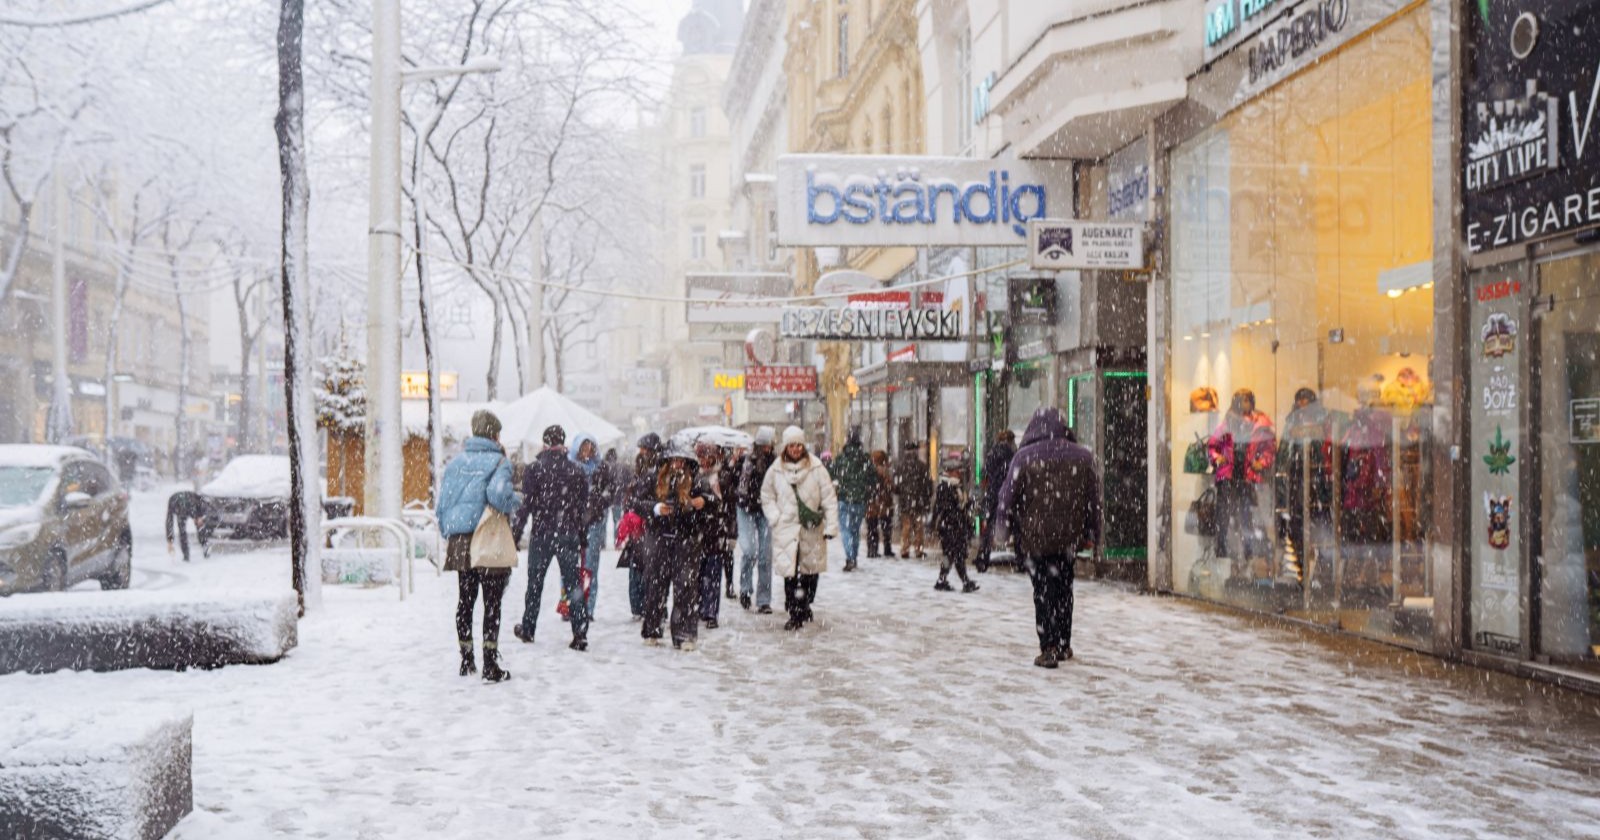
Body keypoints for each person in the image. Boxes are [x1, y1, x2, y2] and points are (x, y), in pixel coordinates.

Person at [995, 407, 1101, 669]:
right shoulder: (1084, 457)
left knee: (1042, 591)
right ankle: (1064, 642)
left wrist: (1003, 531)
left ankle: (1049, 646)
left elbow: (1006, 499)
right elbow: (1094, 501)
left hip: (1035, 538)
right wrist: (1093, 533)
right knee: (1064, 587)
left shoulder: (1023, 457)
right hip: (1068, 538)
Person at [436, 409, 518, 682]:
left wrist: (450, 529)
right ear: (495, 434)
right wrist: (514, 501)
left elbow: (443, 505)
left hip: (460, 540)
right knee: (492, 602)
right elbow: (497, 494)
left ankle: (466, 658)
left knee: (465, 600)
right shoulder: (499, 462)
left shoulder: (456, 463)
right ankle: (490, 663)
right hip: (487, 536)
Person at [510, 425, 592, 652]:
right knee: (573, 584)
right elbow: (582, 509)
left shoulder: (534, 469)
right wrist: (582, 537)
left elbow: (526, 507)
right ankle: (580, 633)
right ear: (563, 442)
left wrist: (515, 534)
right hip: (568, 534)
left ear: (545, 443)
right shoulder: (577, 471)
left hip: (542, 534)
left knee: (535, 583)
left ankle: (528, 627)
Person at [761, 425, 840, 631]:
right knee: (790, 573)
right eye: (791, 445)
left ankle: (805, 603)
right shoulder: (775, 470)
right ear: (785, 447)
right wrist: (775, 517)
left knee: (810, 572)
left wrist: (831, 525)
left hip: (811, 528)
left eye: (798, 445)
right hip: (786, 528)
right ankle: (795, 612)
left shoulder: (816, 468)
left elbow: (829, 497)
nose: (795, 449)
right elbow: (767, 495)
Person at [637, 442, 706, 650]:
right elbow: (636, 502)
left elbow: (712, 500)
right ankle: (652, 629)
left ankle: (684, 635)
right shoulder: (653, 478)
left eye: (681, 461)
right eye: (673, 460)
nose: (677, 464)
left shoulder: (696, 480)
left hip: (686, 539)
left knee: (685, 588)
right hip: (659, 538)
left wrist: (701, 501)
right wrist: (656, 508)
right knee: (655, 586)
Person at [622, 434, 665, 619]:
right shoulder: (641, 470)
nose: (642, 453)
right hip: (639, 525)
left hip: (651, 524)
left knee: (648, 568)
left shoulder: (658, 471)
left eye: (645, 449)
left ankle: (650, 607)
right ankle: (639, 607)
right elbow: (633, 497)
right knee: (638, 567)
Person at [735, 427, 777, 613]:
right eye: (763, 445)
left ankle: (764, 600)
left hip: (765, 510)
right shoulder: (745, 460)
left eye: (768, 445)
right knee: (750, 551)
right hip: (745, 508)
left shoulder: (776, 463)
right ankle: (745, 589)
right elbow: (733, 483)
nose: (766, 449)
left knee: (765, 556)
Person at [570, 433, 609, 617]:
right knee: (570, 567)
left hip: (594, 521)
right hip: (574, 523)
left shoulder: (601, 468)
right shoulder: (570, 468)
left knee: (590, 566)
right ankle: (570, 606)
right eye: (583, 447)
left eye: (590, 447)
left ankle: (587, 607)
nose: (587, 451)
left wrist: (597, 502)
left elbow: (609, 492)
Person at [695, 442, 734, 629]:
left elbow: (729, 504)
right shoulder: (694, 475)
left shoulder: (723, 476)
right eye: (700, 456)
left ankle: (711, 612)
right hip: (697, 531)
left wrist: (731, 532)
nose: (703, 460)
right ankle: (700, 608)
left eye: (706, 456)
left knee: (713, 573)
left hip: (716, 529)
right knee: (698, 574)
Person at [829, 428, 878, 572]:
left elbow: (832, 475)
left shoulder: (841, 458)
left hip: (844, 498)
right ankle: (854, 557)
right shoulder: (865, 459)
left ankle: (850, 557)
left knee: (845, 529)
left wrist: (840, 485)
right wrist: (865, 490)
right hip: (860, 500)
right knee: (855, 530)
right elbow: (873, 478)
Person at [931, 456, 979, 593]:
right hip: (950, 528)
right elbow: (946, 508)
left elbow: (959, 506)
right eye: (957, 471)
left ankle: (942, 580)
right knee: (956, 555)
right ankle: (964, 582)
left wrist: (969, 504)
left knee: (951, 555)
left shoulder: (955, 486)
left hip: (955, 527)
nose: (960, 473)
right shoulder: (945, 487)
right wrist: (959, 511)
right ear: (950, 472)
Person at [979, 429, 1018, 566]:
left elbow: (985, 472)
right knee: (1015, 523)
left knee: (990, 524)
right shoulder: (1013, 453)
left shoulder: (992, 452)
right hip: (1009, 491)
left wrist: (989, 486)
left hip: (994, 491)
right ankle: (1020, 556)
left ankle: (984, 554)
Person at [894, 440, 932, 558]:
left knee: (906, 526)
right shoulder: (922, 466)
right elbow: (928, 485)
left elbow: (896, 486)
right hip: (919, 501)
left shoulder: (900, 466)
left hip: (905, 501)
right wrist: (926, 498)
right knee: (918, 527)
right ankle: (918, 549)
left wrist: (901, 493)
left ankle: (905, 549)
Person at [165, 490, 211, 562]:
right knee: (182, 531)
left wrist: (200, 517)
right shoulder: (173, 504)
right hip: (182, 505)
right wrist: (170, 540)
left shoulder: (196, 501)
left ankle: (205, 547)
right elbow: (169, 521)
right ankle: (186, 555)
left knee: (200, 527)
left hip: (192, 504)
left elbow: (203, 507)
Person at [865, 450, 894, 558]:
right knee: (886, 528)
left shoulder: (868, 470)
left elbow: (866, 487)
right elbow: (890, 486)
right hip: (884, 504)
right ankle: (887, 548)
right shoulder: (885, 471)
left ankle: (872, 549)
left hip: (871, 505)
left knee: (872, 529)